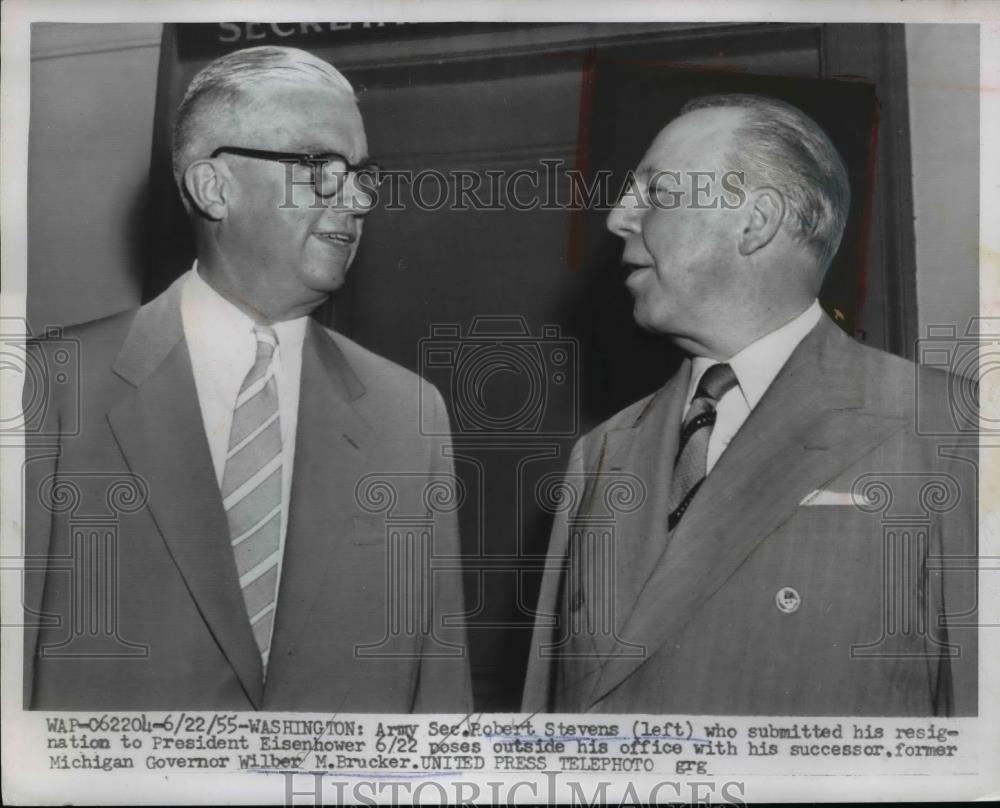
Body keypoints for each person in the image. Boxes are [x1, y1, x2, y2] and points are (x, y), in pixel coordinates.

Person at [23, 46, 471, 711]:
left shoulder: (410, 414)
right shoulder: (51, 388)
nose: (355, 200)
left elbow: (438, 699)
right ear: (214, 187)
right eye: (320, 168)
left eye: (360, 175)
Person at [523, 93, 977, 715]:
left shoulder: (950, 435)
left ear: (755, 221)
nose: (617, 218)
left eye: (655, 192)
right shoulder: (598, 456)